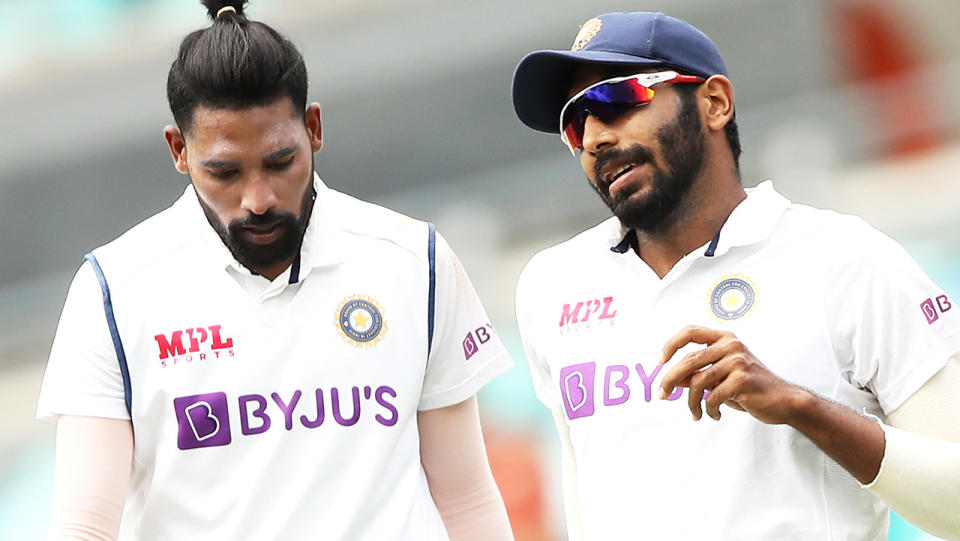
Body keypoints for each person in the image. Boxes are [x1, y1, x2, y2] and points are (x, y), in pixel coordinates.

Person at [36, 2, 515, 540]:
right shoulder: (113, 290)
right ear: (179, 150)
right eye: (224, 172)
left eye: (280, 162)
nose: (258, 199)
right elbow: (84, 527)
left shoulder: (414, 260)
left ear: (313, 128)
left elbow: (468, 499)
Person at [511, 11, 960, 541]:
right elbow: (584, 507)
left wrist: (802, 407)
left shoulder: (845, 259)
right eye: (574, 120)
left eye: (616, 99)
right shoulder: (552, 284)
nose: (592, 137)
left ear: (715, 103)